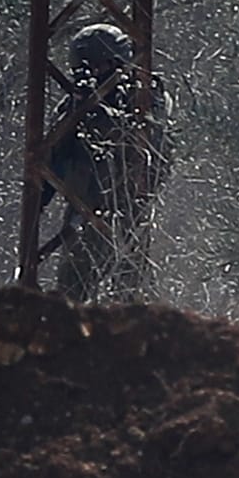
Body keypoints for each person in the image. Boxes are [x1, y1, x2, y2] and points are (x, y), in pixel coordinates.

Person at [43, 22, 170, 301]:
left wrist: (97, 111)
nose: (90, 76)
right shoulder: (73, 105)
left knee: (129, 296)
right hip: (83, 208)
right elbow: (51, 158)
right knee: (71, 293)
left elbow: (146, 145)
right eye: (82, 70)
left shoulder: (146, 99)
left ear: (117, 63)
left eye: (97, 67)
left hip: (126, 209)